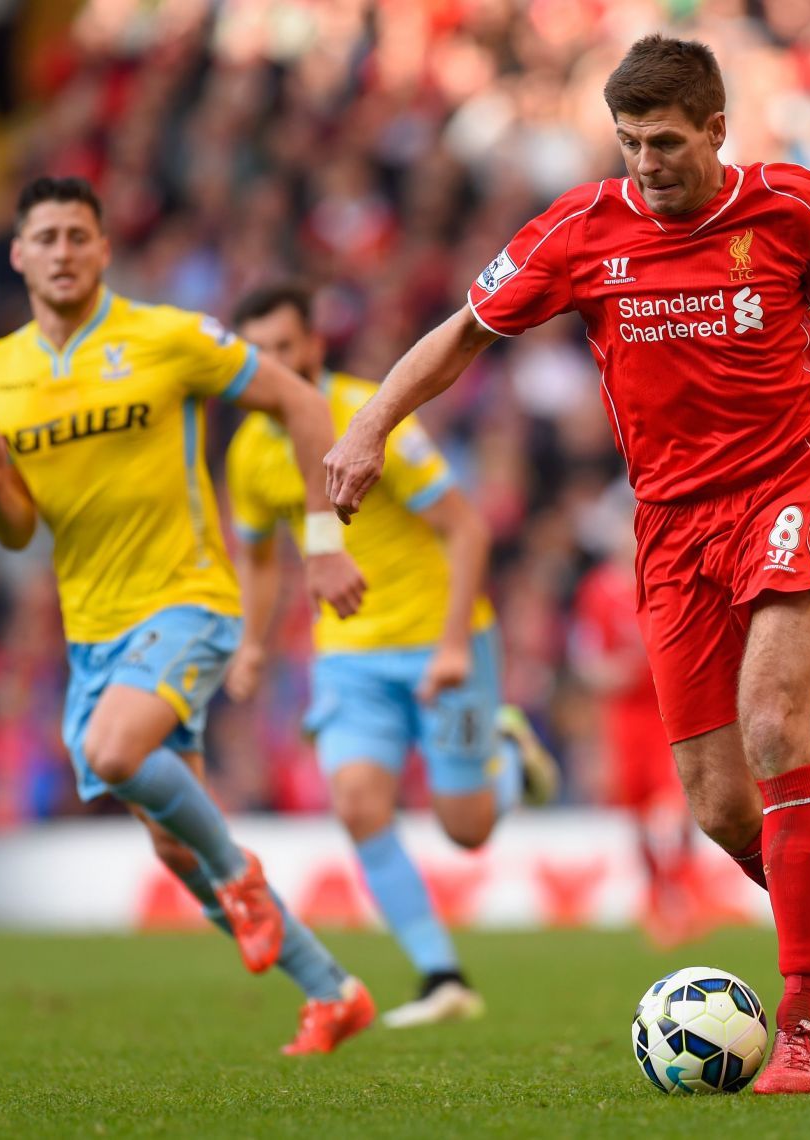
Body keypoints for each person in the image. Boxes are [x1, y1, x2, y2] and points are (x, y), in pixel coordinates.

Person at [324, 35, 810, 1093]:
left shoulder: (792, 209)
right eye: (629, 143)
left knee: (773, 725)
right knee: (717, 806)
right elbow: (461, 334)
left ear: (716, 129)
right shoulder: (582, 230)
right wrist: (370, 429)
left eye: (666, 141)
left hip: (789, 490)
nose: (647, 163)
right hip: (670, 530)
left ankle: (798, 1021)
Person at [0, 176, 372, 1054]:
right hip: (92, 626)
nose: (64, 252)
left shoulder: (168, 336)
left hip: (188, 598)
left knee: (109, 752)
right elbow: (15, 532)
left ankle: (241, 871)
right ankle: (331, 990)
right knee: (171, 851)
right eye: (48, 237)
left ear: (105, 249)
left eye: (80, 235)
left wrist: (321, 540)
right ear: (19, 253)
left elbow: (303, 401)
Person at [223, 282, 558, 1028]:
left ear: (313, 344)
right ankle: (440, 974)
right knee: (358, 804)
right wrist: (251, 643)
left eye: (284, 347)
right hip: (348, 657)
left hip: (443, 641)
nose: (271, 365)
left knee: (465, 828)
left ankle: (505, 748)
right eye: (257, 353)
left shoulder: (373, 417)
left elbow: (466, 529)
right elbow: (259, 560)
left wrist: (450, 646)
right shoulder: (249, 451)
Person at [571, 530, 702, 948]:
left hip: (671, 710)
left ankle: (681, 890)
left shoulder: (667, 580)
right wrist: (612, 673)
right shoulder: (598, 591)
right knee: (638, 808)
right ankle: (656, 895)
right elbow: (587, 660)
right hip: (624, 716)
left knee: (676, 802)